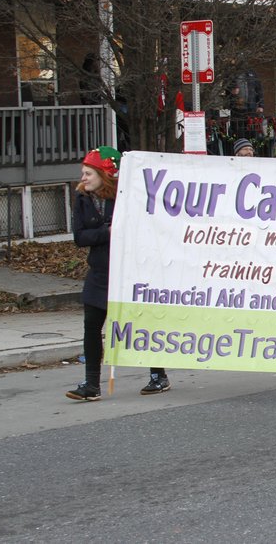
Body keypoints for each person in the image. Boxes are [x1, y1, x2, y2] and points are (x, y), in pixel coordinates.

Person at [66, 147, 170, 401]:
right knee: (91, 326)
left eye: (89, 173)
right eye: (83, 173)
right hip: (99, 272)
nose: (84, 178)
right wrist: (107, 232)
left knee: (140, 324)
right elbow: (80, 237)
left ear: (105, 174)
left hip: (128, 272)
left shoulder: (127, 197)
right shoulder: (82, 199)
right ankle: (91, 385)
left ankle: (159, 375)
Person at [229, 70, 264, 139]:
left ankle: (251, 148)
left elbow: (259, 90)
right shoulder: (232, 74)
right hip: (237, 110)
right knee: (239, 132)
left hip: (251, 109)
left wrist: (261, 105)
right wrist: (231, 92)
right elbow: (227, 90)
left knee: (252, 132)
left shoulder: (252, 74)